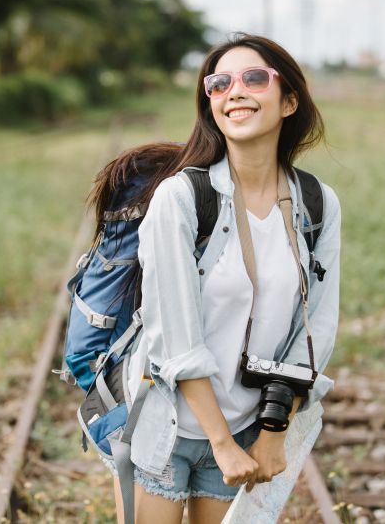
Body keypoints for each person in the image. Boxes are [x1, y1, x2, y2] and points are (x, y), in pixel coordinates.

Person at [97, 33, 340, 524]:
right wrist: (221, 442)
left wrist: (272, 435)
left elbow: (314, 328)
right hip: (165, 426)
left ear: (289, 101)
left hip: (248, 428)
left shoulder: (317, 205)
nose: (235, 92)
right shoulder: (181, 198)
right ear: (210, 104)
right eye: (219, 84)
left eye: (254, 78)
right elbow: (176, 337)